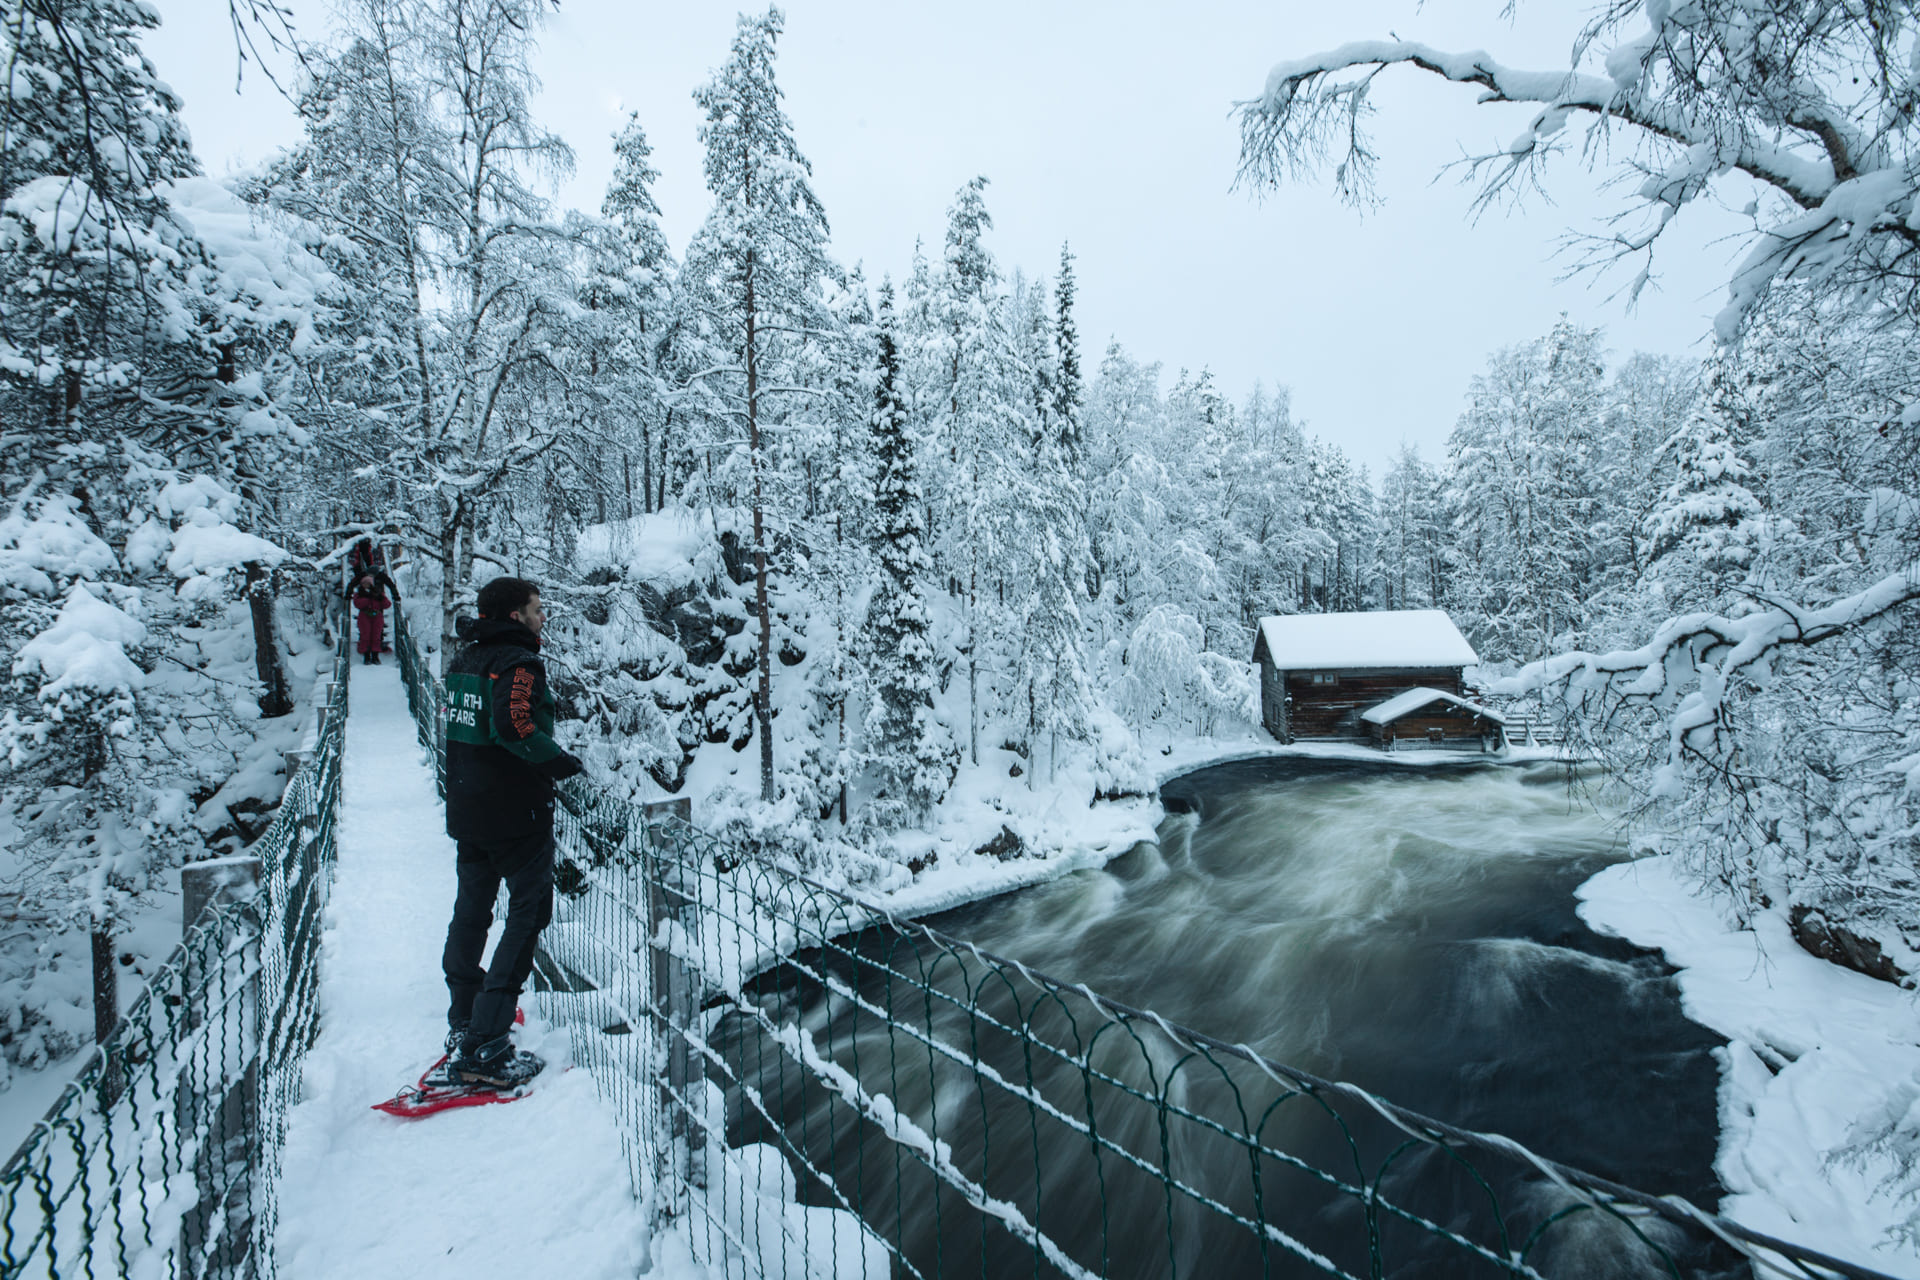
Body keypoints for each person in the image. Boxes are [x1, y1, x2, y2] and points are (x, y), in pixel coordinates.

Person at [439, 577, 584, 1088]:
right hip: (515, 813)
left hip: (468, 808)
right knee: (527, 916)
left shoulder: (464, 660)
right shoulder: (520, 664)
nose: (544, 617)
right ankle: (488, 1044)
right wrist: (560, 763)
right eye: (537, 609)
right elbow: (515, 724)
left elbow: (467, 725)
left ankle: (465, 1017)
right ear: (516, 615)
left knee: (471, 913)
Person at [350, 574, 389, 665]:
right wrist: (369, 599)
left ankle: (375, 656)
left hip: (377, 616)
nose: (366, 585)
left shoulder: (378, 592)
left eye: (368, 583)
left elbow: (387, 604)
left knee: (376, 636)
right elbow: (357, 604)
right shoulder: (359, 594)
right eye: (364, 583)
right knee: (365, 635)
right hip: (364, 615)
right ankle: (366, 656)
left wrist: (380, 598)